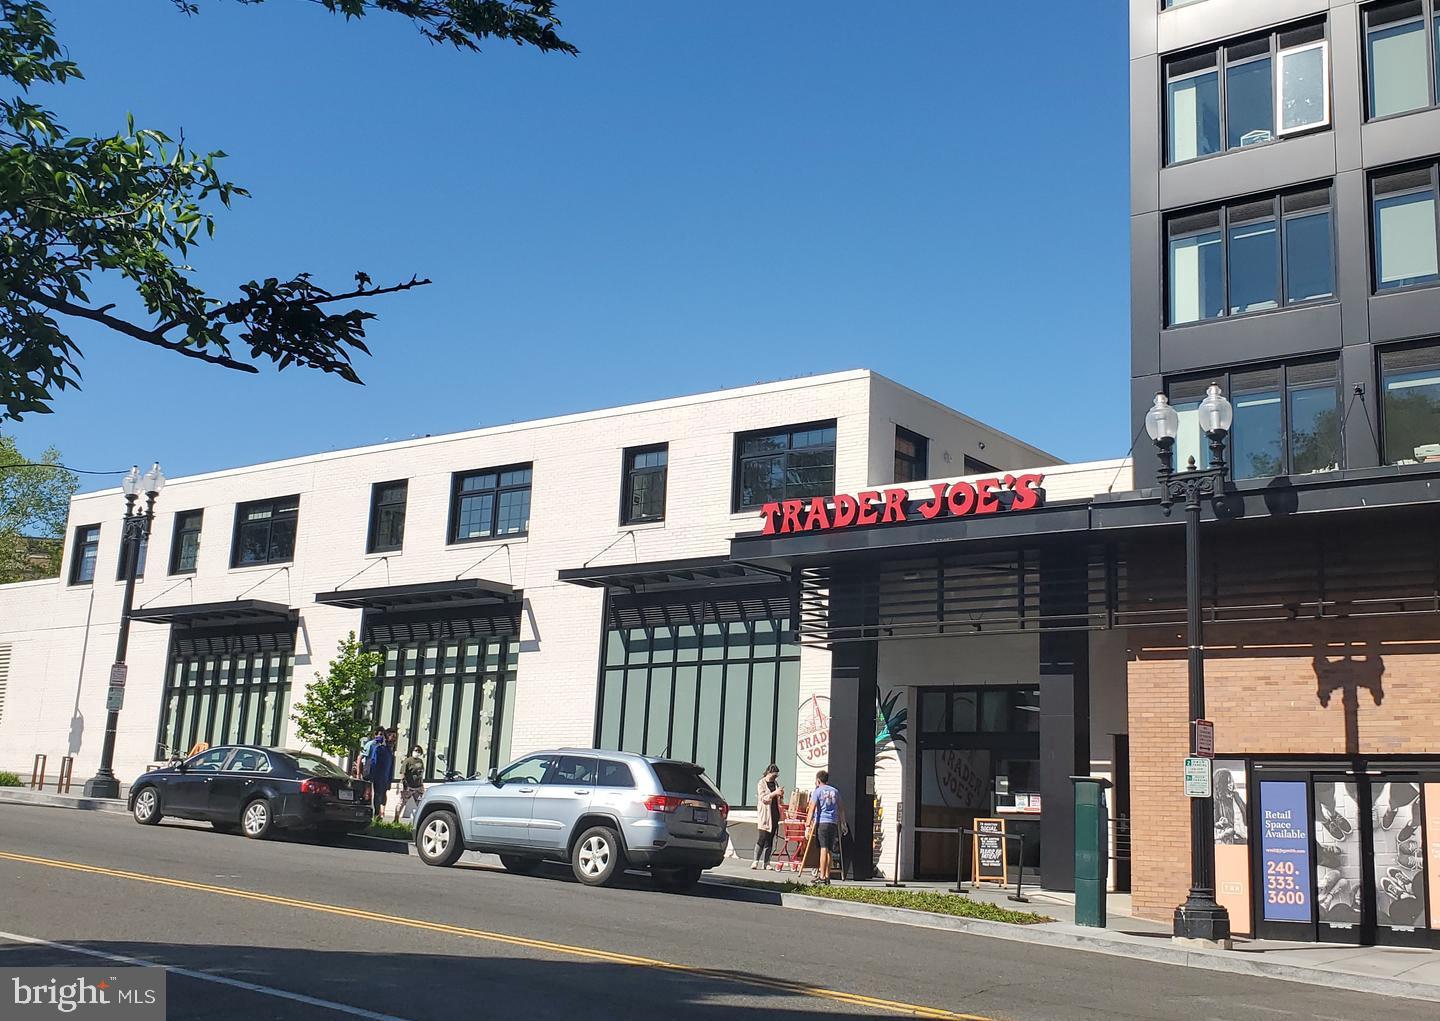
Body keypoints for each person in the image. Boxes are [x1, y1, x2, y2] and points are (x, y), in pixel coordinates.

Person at [806, 769, 847, 885]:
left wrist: (807, 825)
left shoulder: (818, 791)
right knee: (829, 850)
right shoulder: (835, 791)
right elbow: (841, 808)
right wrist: (843, 823)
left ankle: (822, 876)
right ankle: (828, 876)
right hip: (833, 823)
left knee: (823, 849)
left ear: (818, 780)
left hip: (822, 822)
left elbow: (812, 808)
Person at [752, 764, 785, 870]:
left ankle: (766, 862)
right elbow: (763, 798)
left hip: (774, 813)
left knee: (770, 839)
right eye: (773, 775)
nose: (775, 778)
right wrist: (774, 793)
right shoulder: (761, 783)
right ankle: (756, 860)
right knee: (762, 837)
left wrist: (780, 795)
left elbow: (778, 798)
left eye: (776, 776)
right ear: (768, 773)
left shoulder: (775, 783)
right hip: (765, 814)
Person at [367, 727, 396, 819]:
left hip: (385, 777)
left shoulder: (389, 751)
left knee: (383, 795)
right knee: (378, 795)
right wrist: (372, 775)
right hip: (378, 776)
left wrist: (390, 780)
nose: (394, 739)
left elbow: (390, 767)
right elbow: (373, 762)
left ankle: (381, 813)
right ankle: (376, 814)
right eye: (392, 736)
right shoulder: (379, 748)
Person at [395, 744, 426, 823]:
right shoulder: (408, 761)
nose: (417, 752)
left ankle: (420, 821)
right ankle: (396, 819)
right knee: (402, 802)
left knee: (420, 802)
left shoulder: (420, 761)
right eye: (416, 750)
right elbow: (402, 773)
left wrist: (421, 783)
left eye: (419, 751)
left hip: (418, 786)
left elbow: (421, 772)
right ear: (412, 751)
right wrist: (404, 784)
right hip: (408, 785)